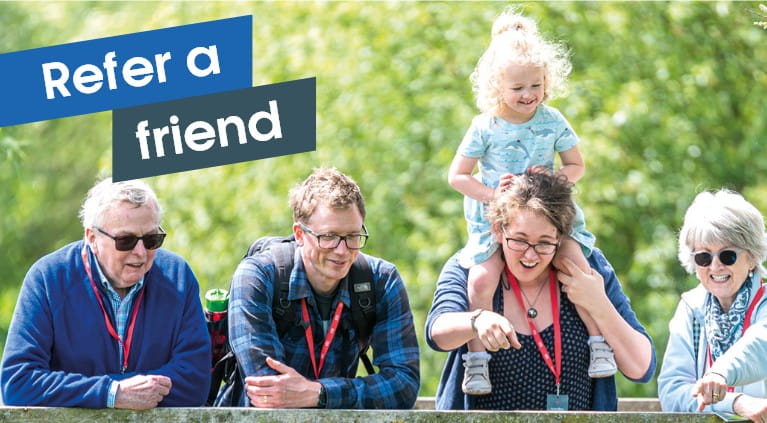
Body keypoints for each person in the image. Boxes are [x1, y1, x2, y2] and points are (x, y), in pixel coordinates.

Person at [446, 8, 615, 395]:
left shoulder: (552, 120)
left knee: (576, 264)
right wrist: (493, 194)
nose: (528, 95)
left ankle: (597, 343)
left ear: (546, 82)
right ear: (496, 87)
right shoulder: (485, 126)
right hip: (498, 222)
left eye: (535, 85)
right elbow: (456, 176)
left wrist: (555, 178)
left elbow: (576, 165)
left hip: (550, 216)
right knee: (482, 280)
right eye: (518, 88)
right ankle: (477, 360)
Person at [426, 171, 655, 410]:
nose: (530, 254)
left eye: (544, 243)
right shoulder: (471, 265)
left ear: (561, 237)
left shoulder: (588, 266)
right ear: (498, 230)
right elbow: (437, 332)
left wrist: (598, 304)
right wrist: (476, 320)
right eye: (519, 240)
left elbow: (641, 367)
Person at [0, 178, 210, 409]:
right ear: (92, 238)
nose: (140, 252)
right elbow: (18, 383)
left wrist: (98, 392)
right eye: (126, 240)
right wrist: (111, 393)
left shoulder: (178, 276)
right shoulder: (48, 278)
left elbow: (195, 383)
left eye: (152, 239)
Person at [223, 167, 419, 409]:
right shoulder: (258, 276)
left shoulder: (380, 280)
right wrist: (340, 394)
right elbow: (268, 389)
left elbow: (404, 385)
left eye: (353, 236)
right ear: (299, 234)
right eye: (329, 236)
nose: (342, 250)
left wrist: (320, 393)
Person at [658, 189, 767, 421]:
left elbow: (759, 346)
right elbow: (672, 391)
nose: (715, 266)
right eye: (704, 257)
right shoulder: (691, 308)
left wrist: (720, 373)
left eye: (727, 255)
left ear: (751, 257)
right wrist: (735, 403)